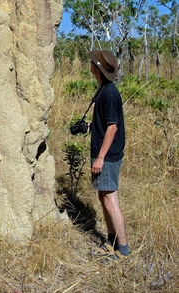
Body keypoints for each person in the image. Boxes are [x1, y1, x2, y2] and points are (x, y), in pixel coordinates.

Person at [87, 49, 130, 261]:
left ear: (97, 68)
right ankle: (112, 241)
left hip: (108, 157)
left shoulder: (110, 93)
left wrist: (101, 157)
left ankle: (122, 249)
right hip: (104, 154)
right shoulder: (104, 89)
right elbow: (105, 125)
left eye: (92, 64)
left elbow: (112, 128)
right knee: (104, 196)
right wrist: (89, 127)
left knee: (111, 200)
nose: (90, 66)